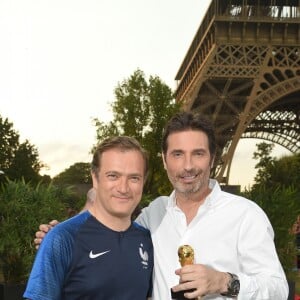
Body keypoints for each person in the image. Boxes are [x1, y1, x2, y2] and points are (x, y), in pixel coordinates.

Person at [34, 112, 288, 299]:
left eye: (198, 153)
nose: (187, 166)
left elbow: (278, 288)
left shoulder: (246, 215)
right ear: (165, 161)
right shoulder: (153, 214)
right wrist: (62, 235)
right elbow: (108, 228)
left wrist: (224, 282)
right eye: (177, 154)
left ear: (213, 158)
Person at [24, 136, 153, 300]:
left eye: (134, 178)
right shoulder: (62, 238)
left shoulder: (147, 241)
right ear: (95, 178)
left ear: (143, 182)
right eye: (113, 176)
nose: (123, 188)